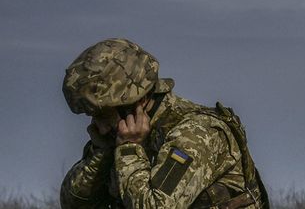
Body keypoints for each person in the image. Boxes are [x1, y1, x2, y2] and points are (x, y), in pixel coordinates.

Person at [59, 38, 269, 209]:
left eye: (104, 116)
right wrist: (102, 152)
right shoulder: (121, 135)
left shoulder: (196, 133)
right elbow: (74, 202)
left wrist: (130, 150)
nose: (99, 127)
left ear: (137, 100)